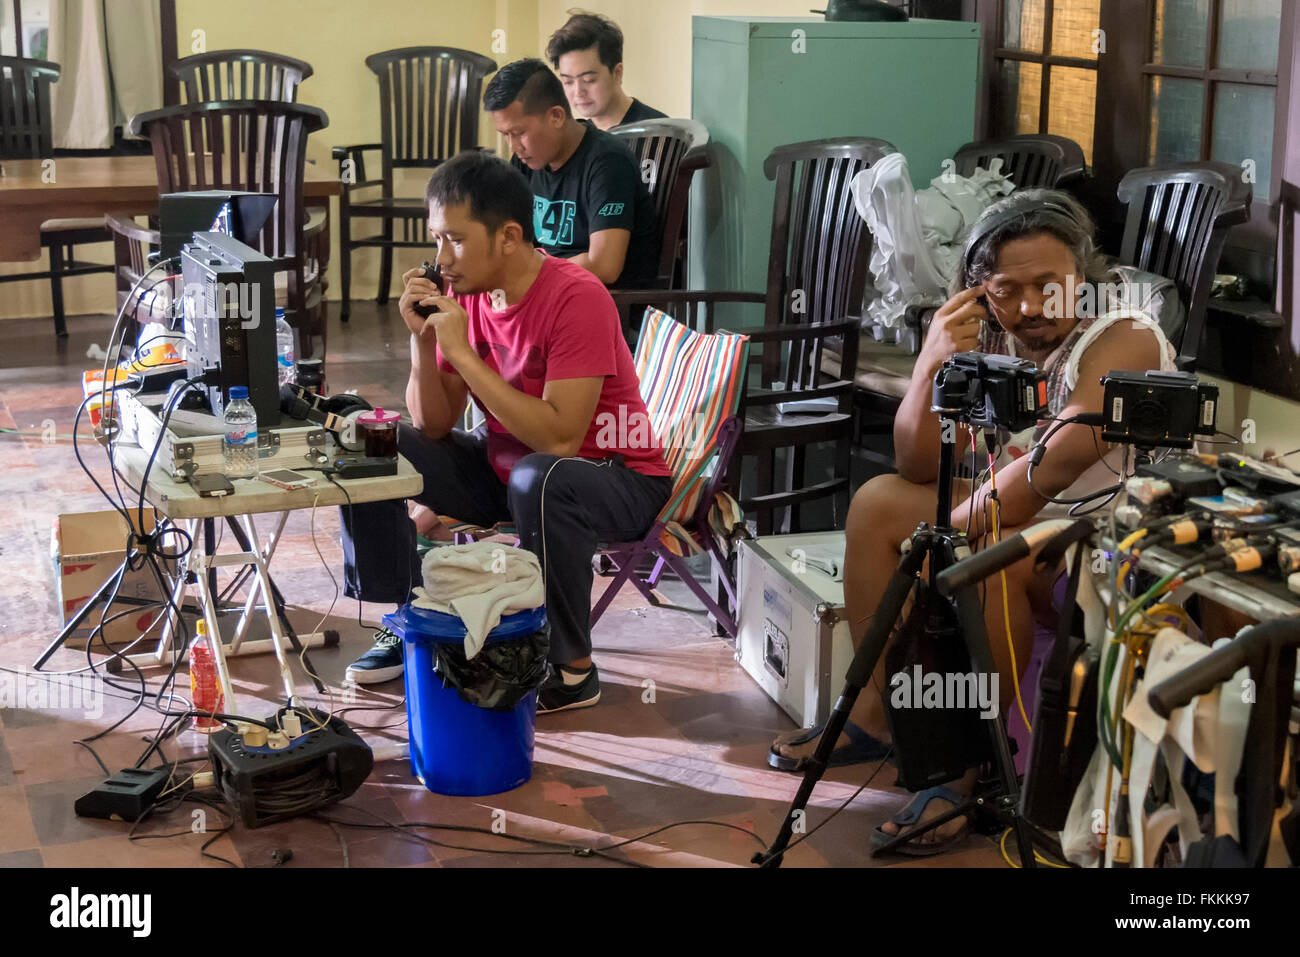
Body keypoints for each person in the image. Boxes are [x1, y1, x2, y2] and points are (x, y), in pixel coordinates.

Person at [767, 190, 1178, 852]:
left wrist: (956, 525)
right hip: (1026, 522)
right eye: (1006, 290)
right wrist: (933, 357)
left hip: (1102, 548)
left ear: (1086, 277)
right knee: (879, 501)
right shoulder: (994, 338)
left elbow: (1066, 452)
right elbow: (917, 458)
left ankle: (963, 778)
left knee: (978, 547)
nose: (1030, 307)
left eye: (1051, 286)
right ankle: (874, 714)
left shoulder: (1123, 332)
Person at [340, 150, 673, 714]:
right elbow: (435, 423)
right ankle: (406, 618)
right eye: (436, 240)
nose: (441, 259)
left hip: (616, 480)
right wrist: (424, 340)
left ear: (510, 236)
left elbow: (563, 440)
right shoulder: (466, 294)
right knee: (375, 437)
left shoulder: (576, 297)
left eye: (457, 240)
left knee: (540, 475)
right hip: (515, 475)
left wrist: (466, 356)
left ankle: (573, 670)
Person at [484, 58, 658, 289]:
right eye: (505, 135)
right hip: (548, 288)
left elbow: (604, 266)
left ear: (556, 116)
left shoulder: (607, 162)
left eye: (519, 132)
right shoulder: (525, 162)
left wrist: (528, 271)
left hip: (600, 299)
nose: (514, 146)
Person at [546, 11, 667, 130]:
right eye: (568, 82)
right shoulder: (577, 138)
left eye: (589, 80)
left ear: (617, 73)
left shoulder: (661, 134)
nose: (578, 92)